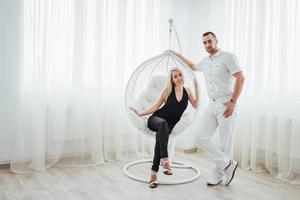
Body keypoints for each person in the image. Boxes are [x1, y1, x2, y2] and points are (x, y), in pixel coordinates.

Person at [172, 32, 245, 186]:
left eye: (209, 41)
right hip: (212, 105)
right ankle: (227, 164)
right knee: (200, 136)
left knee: (226, 142)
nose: (207, 45)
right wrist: (176, 54)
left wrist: (232, 101)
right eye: (204, 43)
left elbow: (240, 78)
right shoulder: (206, 61)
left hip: (226, 103)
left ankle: (218, 174)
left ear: (216, 40)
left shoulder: (228, 57)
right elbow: (192, 66)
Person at [131, 67, 198, 188]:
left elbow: (196, 105)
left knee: (160, 136)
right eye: (175, 76)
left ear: (183, 76)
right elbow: (156, 106)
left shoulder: (187, 91)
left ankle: (153, 172)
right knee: (162, 125)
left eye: (180, 75)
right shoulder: (167, 91)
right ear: (172, 80)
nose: (178, 78)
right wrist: (142, 113)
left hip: (169, 126)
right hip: (156, 120)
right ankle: (165, 159)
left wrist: (197, 88)